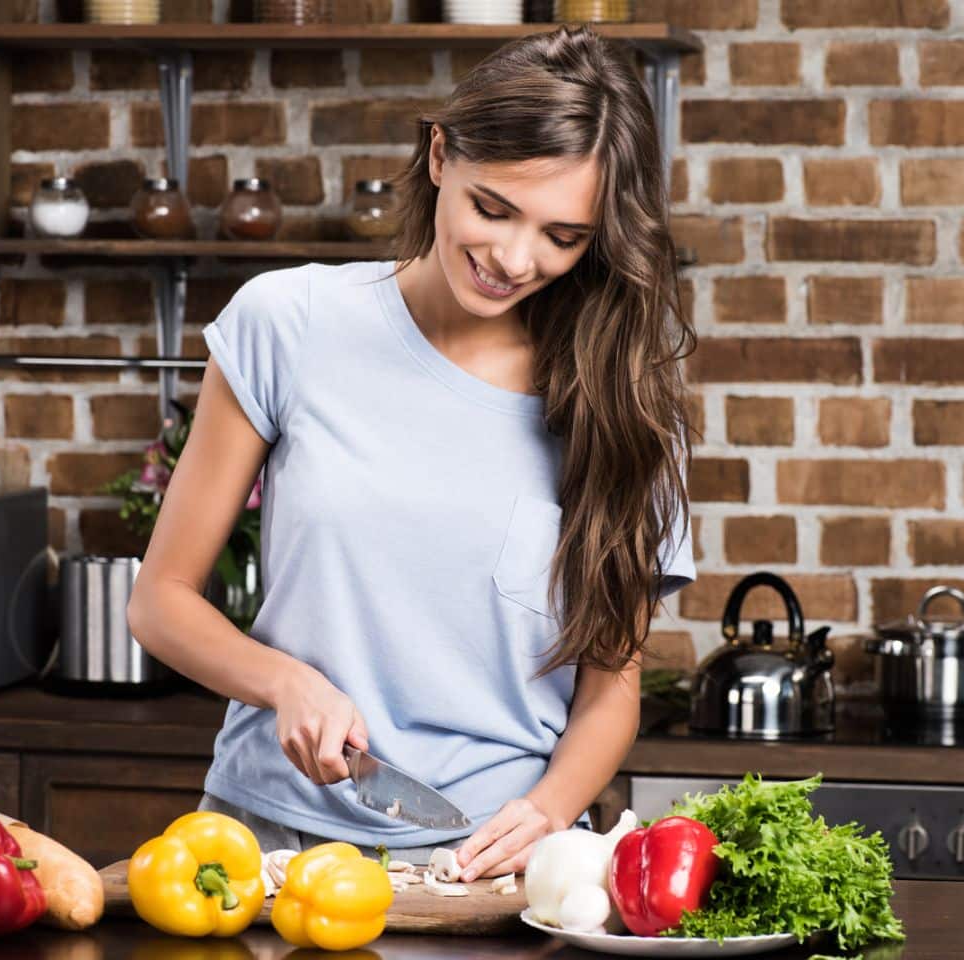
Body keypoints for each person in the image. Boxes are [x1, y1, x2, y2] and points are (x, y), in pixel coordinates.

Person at [127, 24, 697, 882]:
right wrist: (283, 680)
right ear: (440, 156)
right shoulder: (290, 323)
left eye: (562, 237)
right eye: (493, 209)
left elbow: (610, 690)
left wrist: (546, 813)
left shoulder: (627, 407)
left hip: (484, 863)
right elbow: (160, 603)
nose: (513, 258)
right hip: (259, 845)